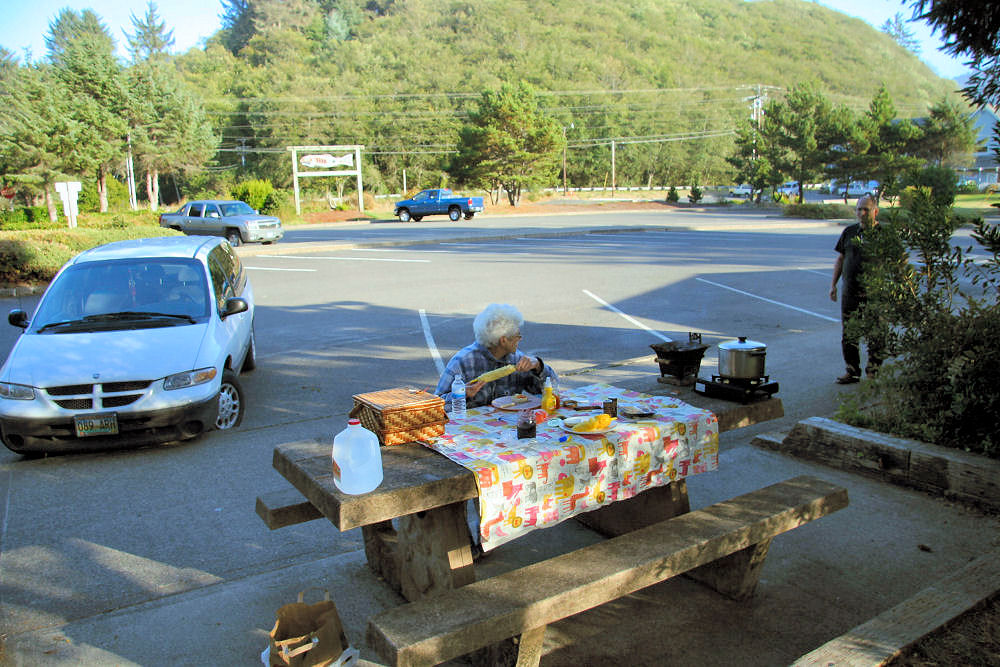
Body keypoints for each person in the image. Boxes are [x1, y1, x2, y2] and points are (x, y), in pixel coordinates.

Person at [435, 303, 558, 408]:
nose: (520, 339)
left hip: (507, 425)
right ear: (503, 340)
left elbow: (551, 390)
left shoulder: (517, 360)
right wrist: (461, 393)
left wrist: (538, 366)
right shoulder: (463, 361)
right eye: (518, 336)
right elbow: (436, 403)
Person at [830, 194, 883, 384]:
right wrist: (833, 284)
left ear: (875, 211)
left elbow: (899, 261)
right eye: (859, 209)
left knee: (875, 333)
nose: (861, 213)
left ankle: (873, 371)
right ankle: (852, 371)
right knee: (849, 333)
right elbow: (841, 259)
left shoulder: (884, 234)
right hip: (850, 293)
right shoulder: (849, 232)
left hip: (875, 294)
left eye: (866, 209)